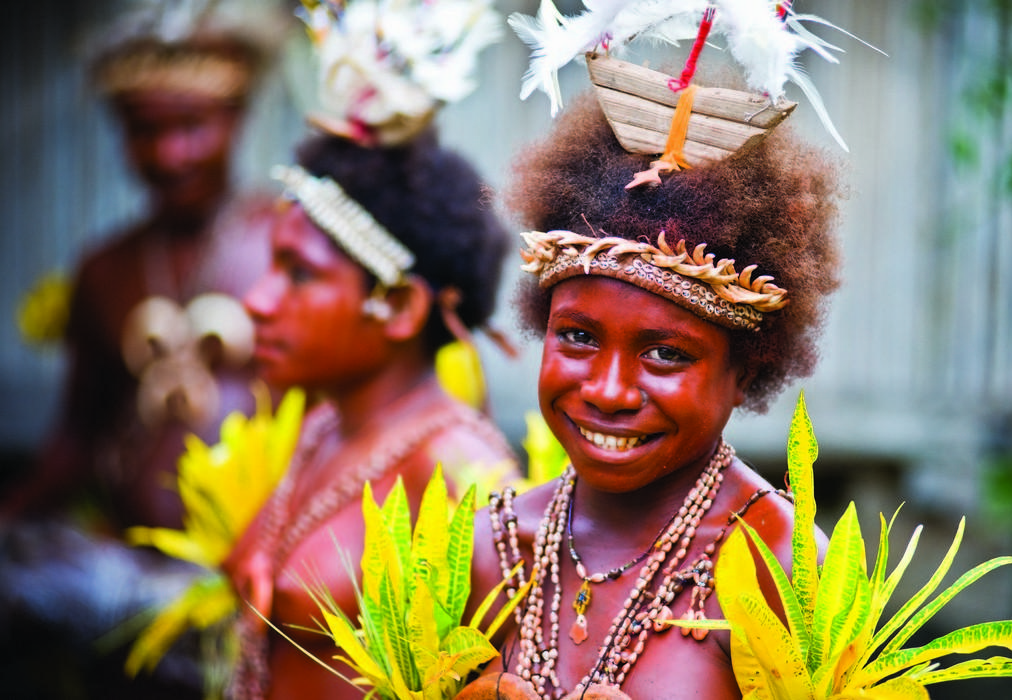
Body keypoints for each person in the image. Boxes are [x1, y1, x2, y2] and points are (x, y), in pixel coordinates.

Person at [463, 72, 843, 699]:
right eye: (579, 337)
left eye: (665, 353)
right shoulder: (492, 548)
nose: (609, 390)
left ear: (744, 371)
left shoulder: (777, 566)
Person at [220, 2, 518, 698]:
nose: (257, 301)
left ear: (400, 305)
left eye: (298, 274)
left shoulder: (464, 476)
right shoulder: (322, 428)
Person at [0, 4, 286, 698]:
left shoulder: (287, 248)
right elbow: (75, 438)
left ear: (237, 118)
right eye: (142, 130)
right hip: (127, 576)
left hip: (258, 579)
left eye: (191, 126)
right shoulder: (105, 270)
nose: (168, 153)